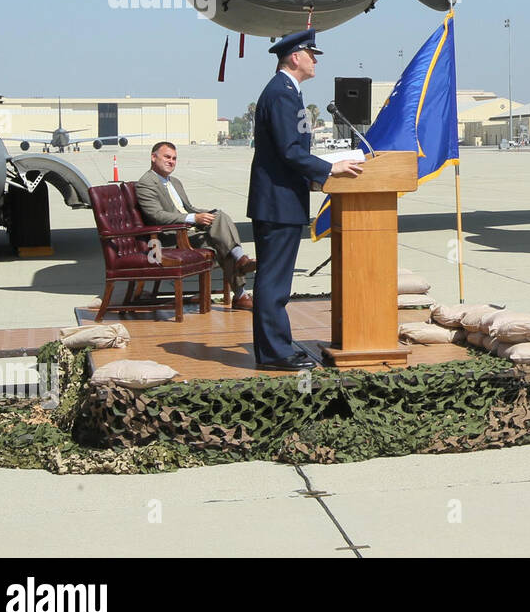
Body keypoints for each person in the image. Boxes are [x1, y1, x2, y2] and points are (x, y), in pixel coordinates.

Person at [247, 29, 362, 371]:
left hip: (282, 198)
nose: (315, 61)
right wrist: (330, 168)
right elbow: (289, 151)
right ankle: (275, 354)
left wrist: (314, 177)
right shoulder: (282, 94)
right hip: (277, 202)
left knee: (275, 281)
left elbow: (290, 153)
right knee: (273, 282)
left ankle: (276, 349)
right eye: (312, 55)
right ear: (295, 57)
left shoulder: (286, 92)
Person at [136, 141, 257, 310]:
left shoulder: (175, 182)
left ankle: (241, 269)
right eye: (167, 157)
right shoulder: (146, 183)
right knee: (223, 242)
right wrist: (194, 218)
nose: (171, 161)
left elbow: (188, 208)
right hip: (171, 237)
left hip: (189, 230)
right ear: (153, 157)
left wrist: (205, 214)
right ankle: (241, 286)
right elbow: (157, 216)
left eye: (174, 158)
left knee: (219, 217)